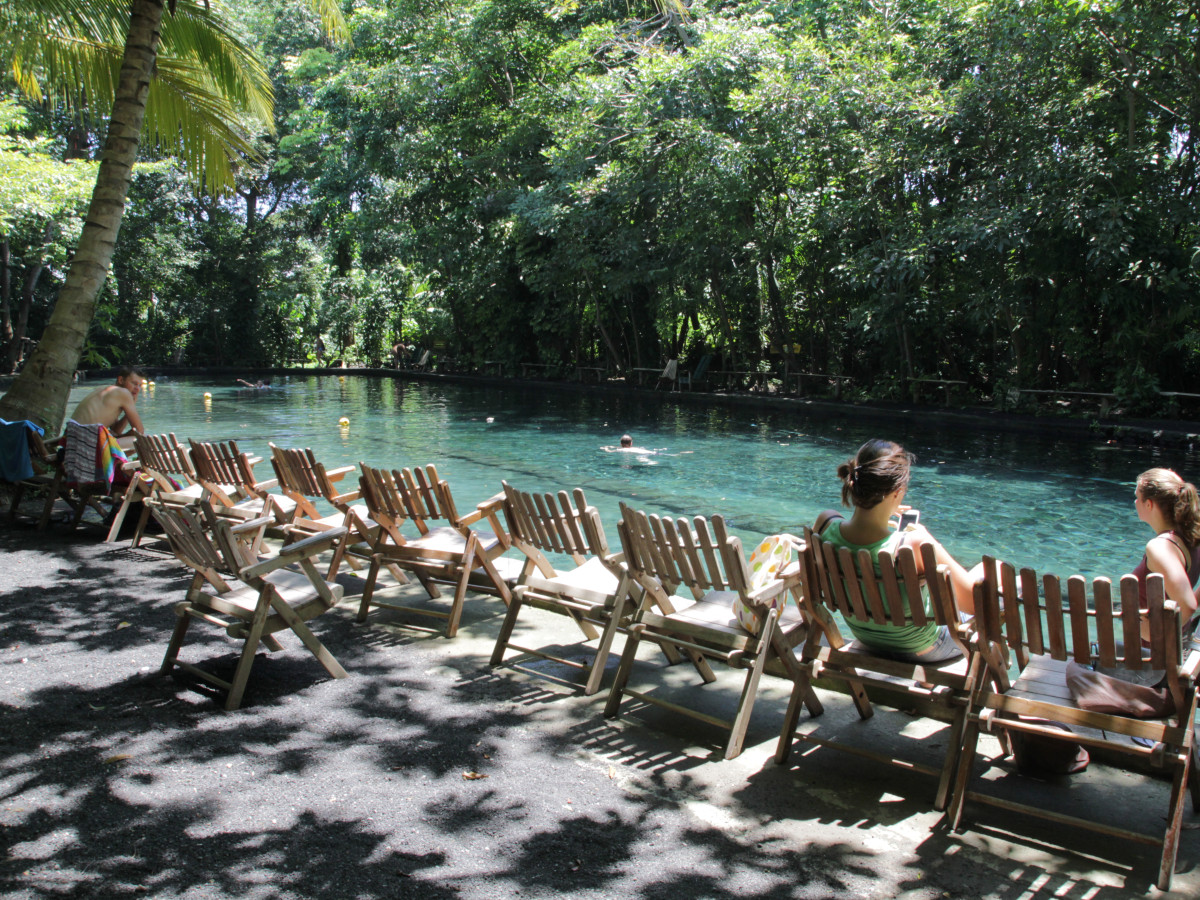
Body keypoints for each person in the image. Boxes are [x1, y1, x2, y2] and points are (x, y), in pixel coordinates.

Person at [813, 439, 980, 663]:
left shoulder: (825, 524)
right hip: (924, 648)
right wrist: (928, 538)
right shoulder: (914, 543)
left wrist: (883, 513)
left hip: (867, 637)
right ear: (897, 491)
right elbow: (973, 603)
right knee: (995, 575)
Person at [1132, 468, 1200, 641]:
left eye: (1137, 497)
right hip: (1175, 646)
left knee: (1078, 665)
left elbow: (1188, 605)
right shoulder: (1190, 536)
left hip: (1151, 656)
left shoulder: (1160, 547)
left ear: (1149, 504)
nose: (1135, 502)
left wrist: (1156, 635)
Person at [69, 367, 145, 448]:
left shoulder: (105, 390)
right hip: (88, 442)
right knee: (141, 440)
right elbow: (140, 431)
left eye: (140, 385)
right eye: (134, 383)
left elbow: (115, 431)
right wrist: (122, 437)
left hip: (74, 439)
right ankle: (113, 461)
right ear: (121, 380)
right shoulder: (123, 393)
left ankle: (115, 460)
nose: (137, 389)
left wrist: (129, 411)